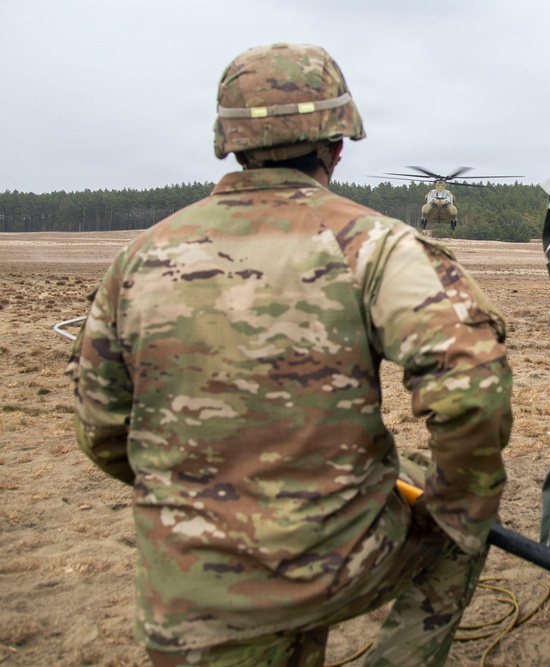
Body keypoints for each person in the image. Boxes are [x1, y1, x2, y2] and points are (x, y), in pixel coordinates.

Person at [67, 42, 512, 667]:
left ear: (230, 142)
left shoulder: (137, 259)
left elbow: (102, 429)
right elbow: (472, 391)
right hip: (336, 568)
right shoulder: (376, 245)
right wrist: (455, 505)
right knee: (464, 528)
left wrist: (204, 494)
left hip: (186, 599)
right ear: (337, 144)